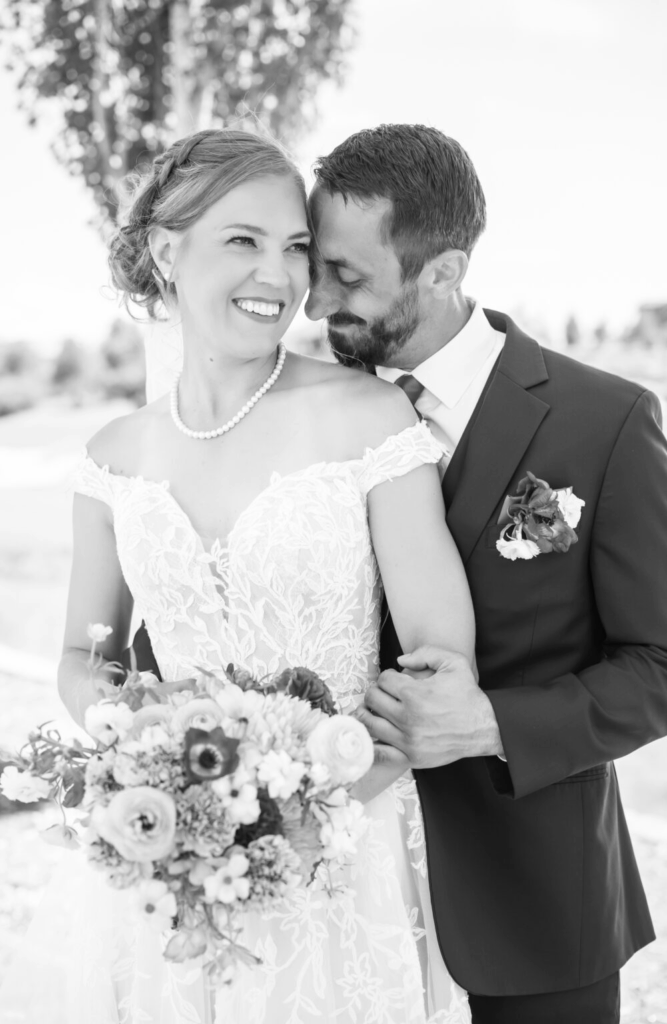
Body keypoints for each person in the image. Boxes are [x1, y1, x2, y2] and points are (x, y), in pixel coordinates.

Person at [0, 128, 475, 1023]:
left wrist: (307, 813)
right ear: (168, 251)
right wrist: (150, 771)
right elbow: (75, 651)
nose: (279, 277)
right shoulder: (112, 458)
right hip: (168, 859)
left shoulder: (367, 418)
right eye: (242, 242)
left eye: (294, 248)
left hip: (343, 855)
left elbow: (440, 662)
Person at [304, 122, 667, 1024]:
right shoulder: (301, 420)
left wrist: (489, 723)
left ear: (442, 270)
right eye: (318, 266)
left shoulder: (606, 421)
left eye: (347, 277)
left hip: (538, 898)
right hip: (337, 892)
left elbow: (659, 662)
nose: (315, 304)